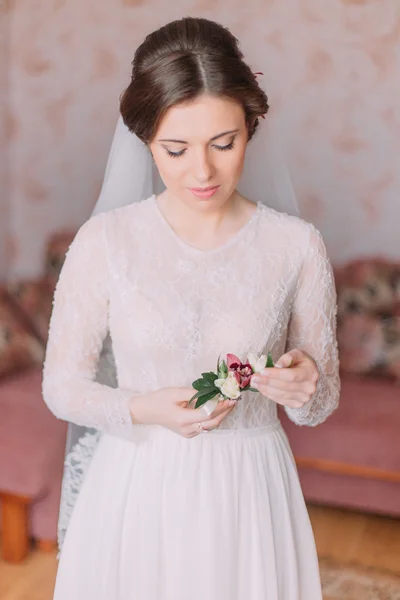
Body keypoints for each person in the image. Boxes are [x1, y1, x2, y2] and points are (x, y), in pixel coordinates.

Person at [42, 16, 340, 600]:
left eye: (223, 144)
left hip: (249, 490)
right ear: (145, 138)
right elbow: (62, 387)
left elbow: (320, 402)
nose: (201, 172)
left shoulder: (296, 245)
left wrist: (305, 388)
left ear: (251, 130)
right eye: (175, 149)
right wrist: (144, 407)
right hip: (134, 486)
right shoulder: (104, 242)